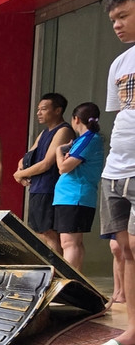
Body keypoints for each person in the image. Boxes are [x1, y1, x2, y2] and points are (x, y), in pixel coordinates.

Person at [95, 0, 135, 345]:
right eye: (112, 20)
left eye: (123, 16)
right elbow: (120, 116)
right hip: (116, 169)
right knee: (122, 248)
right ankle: (132, 328)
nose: (116, 25)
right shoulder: (120, 63)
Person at [13, 93, 74, 251]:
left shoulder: (63, 131)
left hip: (49, 188)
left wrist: (20, 175)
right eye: (38, 109)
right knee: (39, 232)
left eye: (44, 109)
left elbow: (47, 163)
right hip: (37, 187)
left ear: (58, 110)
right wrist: (20, 170)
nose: (39, 113)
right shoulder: (43, 133)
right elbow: (27, 156)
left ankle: (56, 271)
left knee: (49, 232)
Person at [51, 102, 105, 271]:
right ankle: (76, 280)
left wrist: (59, 151)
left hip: (74, 196)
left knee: (69, 242)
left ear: (76, 119)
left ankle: (71, 283)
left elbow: (63, 167)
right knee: (73, 242)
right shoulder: (83, 140)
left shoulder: (89, 138)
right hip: (71, 196)